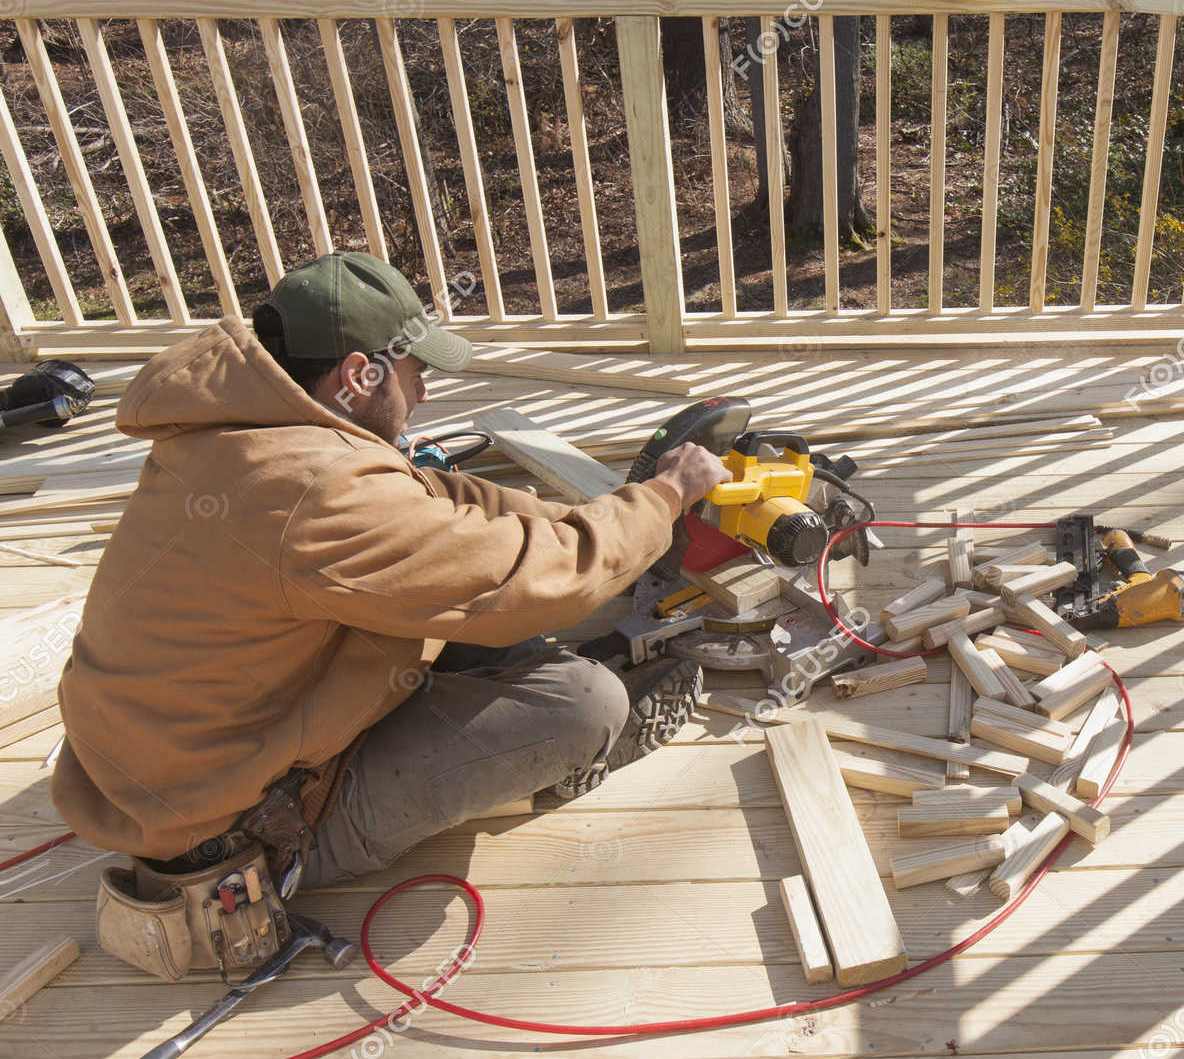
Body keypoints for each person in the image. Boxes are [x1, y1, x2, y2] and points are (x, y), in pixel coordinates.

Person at [51, 251, 728, 893]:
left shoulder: (245, 432)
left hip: (173, 759)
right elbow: (534, 579)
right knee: (583, 703)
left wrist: (599, 517)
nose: (424, 390)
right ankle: (565, 756)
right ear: (356, 376)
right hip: (238, 829)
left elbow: (436, 504)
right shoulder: (315, 491)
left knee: (482, 599)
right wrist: (663, 499)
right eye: (413, 373)